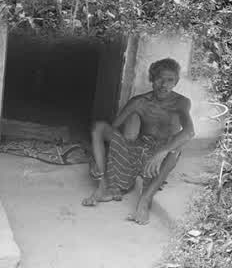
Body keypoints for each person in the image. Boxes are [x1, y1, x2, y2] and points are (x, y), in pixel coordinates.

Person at [82, 58, 195, 225]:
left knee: (176, 150)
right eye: (159, 78)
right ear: (151, 79)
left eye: (170, 80)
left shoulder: (181, 102)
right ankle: (103, 184)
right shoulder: (139, 102)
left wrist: (160, 153)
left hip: (161, 155)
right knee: (99, 127)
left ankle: (144, 202)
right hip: (138, 149)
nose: (163, 84)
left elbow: (189, 131)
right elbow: (113, 129)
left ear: (176, 82)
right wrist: (99, 159)